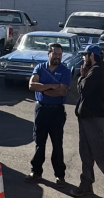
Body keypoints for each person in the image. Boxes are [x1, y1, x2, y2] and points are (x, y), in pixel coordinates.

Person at [71, 44, 104, 198]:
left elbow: (83, 89)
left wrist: (81, 76)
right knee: (85, 153)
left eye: (86, 55)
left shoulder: (97, 71)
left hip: (94, 120)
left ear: (91, 56)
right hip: (85, 119)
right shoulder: (93, 71)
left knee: (102, 157)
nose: (83, 58)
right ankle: (86, 184)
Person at [26, 42, 72, 186]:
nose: (57, 57)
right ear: (49, 54)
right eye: (55, 54)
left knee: (57, 144)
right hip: (41, 109)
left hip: (57, 111)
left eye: (60, 54)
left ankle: (60, 176)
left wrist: (42, 89)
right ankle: (36, 171)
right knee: (39, 142)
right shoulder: (40, 67)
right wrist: (51, 86)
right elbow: (32, 85)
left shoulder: (65, 71)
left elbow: (63, 91)